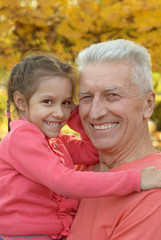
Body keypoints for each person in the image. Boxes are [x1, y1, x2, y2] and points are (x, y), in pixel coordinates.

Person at [1, 53, 158, 240]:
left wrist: (79, 114)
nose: (59, 113)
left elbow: (91, 152)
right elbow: (64, 182)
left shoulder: (56, 141)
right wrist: (136, 180)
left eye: (66, 103)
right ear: (20, 102)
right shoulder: (21, 140)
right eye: (48, 101)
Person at [66, 39, 161, 240]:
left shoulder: (154, 190)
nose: (95, 112)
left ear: (148, 104)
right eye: (86, 97)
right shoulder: (68, 171)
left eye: (112, 95)